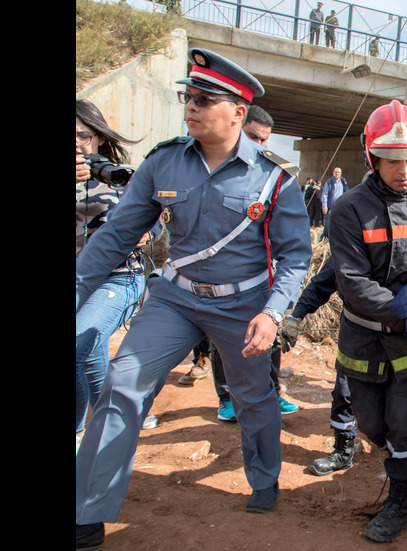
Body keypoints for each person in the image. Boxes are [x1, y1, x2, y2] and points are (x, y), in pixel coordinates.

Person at [75, 49, 312, 549]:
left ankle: (265, 477)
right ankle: (86, 511)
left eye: (205, 100)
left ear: (238, 113)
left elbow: (294, 258)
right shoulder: (164, 162)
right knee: (122, 384)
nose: (192, 107)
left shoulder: (275, 178)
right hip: (175, 299)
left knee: (252, 397)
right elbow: (117, 235)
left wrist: (272, 313)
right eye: (189, 97)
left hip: (245, 307)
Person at [327, 99, 407, 543]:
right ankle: (404, 461)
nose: (404, 170)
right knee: (373, 427)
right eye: (393, 160)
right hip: (364, 338)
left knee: (403, 424)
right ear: (372, 158)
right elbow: (353, 282)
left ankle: (399, 498)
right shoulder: (347, 210)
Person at [206, 104, 299, 420]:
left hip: (264, 274)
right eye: (252, 137)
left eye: (264, 141)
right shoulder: (211, 171)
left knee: (268, 334)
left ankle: (271, 393)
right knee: (226, 339)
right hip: (223, 276)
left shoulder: (275, 174)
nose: (258, 147)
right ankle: (227, 398)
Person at [76, 99, 159, 438]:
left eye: (82, 135)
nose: (76, 143)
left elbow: (160, 221)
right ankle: (116, 420)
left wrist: (146, 233)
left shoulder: (119, 175)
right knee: (91, 355)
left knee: (79, 344)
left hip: (118, 278)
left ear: (97, 137)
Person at [277, 256, 364, 475]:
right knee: (345, 390)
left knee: (402, 395)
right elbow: (321, 285)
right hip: (357, 331)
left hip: (399, 334)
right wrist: (295, 318)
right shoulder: (349, 242)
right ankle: (343, 450)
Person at [318, 166, 347, 241]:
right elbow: (325, 194)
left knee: (338, 223)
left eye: (338, 172)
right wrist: (324, 205)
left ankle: (335, 238)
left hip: (339, 207)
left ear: (341, 174)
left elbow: (346, 193)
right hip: (330, 207)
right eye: (335, 172)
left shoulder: (343, 182)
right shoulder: (329, 182)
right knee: (327, 223)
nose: (337, 173)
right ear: (333, 173)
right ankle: (324, 237)